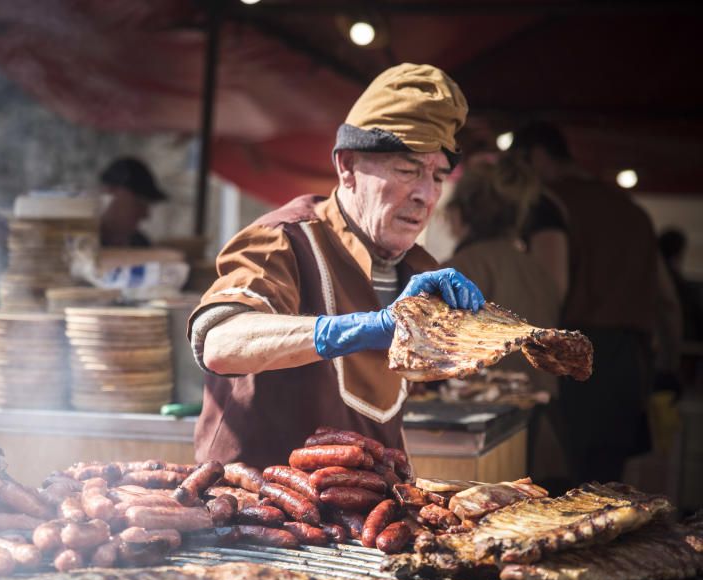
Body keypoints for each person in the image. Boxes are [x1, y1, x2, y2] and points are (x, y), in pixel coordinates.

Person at [188, 63, 485, 468]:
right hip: (259, 514)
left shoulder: (417, 270)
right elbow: (219, 343)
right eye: (407, 169)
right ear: (346, 167)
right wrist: (355, 329)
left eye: (438, 176)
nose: (425, 195)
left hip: (368, 515)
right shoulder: (284, 239)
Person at [511, 121, 659, 485]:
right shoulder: (632, 209)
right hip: (631, 360)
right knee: (609, 486)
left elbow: (550, 289)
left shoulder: (550, 202)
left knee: (565, 487)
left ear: (537, 156)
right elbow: (664, 297)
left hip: (578, 358)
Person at [441, 155, 566, 490]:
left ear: (461, 212)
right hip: (543, 437)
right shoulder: (538, 270)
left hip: (483, 442)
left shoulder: (458, 269)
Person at [98, 157, 167, 247]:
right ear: (110, 192)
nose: (145, 214)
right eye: (139, 203)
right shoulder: (81, 245)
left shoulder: (140, 244)